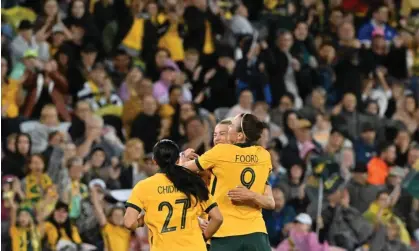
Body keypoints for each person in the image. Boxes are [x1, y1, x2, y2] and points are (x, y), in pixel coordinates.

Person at [179, 113, 274, 251]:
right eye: (215, 134)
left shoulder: (220, 152)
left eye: (230, 127)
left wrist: (183, 157)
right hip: (256, 232)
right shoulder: (264, 155)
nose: (218, 137)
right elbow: (270, 201)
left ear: (240, 136)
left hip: (225, 233)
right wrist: (252, 195)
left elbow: (182, 169)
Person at [124, 139, 223, 251]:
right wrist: (203, 237)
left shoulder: (143, 186)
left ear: (155, 161)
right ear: (177, 160)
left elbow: (129, 223)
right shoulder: (194, 182)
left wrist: (142, 220)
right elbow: (217, 218)